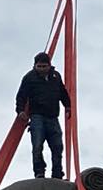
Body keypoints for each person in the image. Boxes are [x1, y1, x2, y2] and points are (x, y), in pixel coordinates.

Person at [16, 50, 73, 180]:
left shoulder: (55, 76)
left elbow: (62, 92)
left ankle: (57, 173)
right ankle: (39, 171)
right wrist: (20, 111)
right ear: (35, 66)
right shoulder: (29, 78)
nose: (41, 69)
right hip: (37, 116)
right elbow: (21, 96)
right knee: (37, 145)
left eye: (44, 66)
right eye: (39, 66)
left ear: (49, 65)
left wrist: (68, 106)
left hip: (53, 117)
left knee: (57, 146)